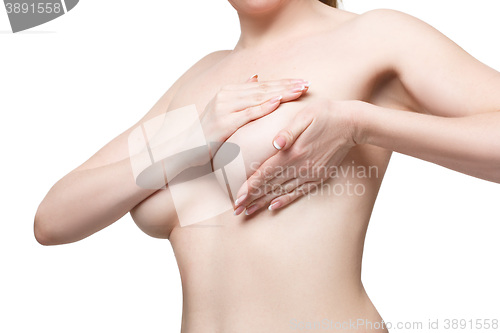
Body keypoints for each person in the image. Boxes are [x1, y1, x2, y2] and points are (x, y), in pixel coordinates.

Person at [34, 0, 500, 332]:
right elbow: (53, 220)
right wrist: (193, 139)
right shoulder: (200, 79)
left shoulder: (373, 37)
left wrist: (359, 123)